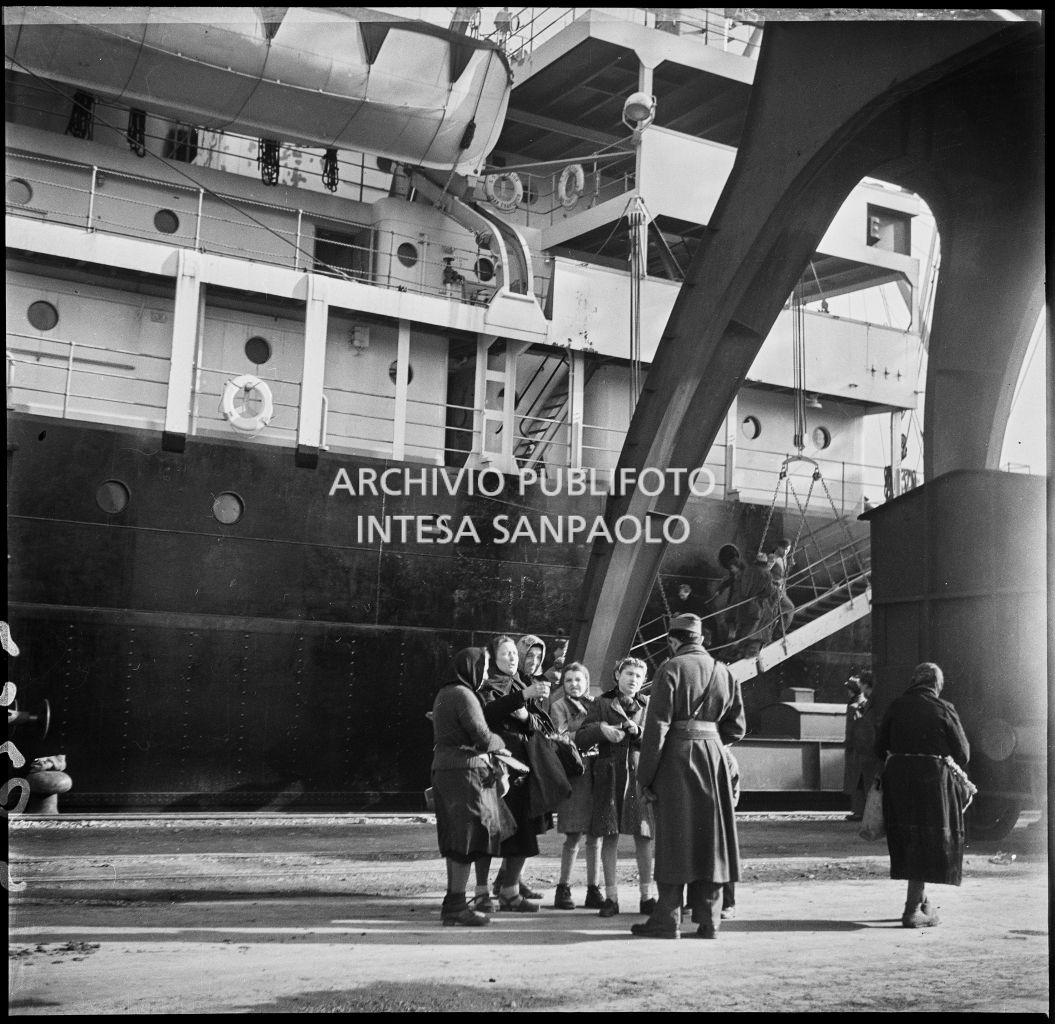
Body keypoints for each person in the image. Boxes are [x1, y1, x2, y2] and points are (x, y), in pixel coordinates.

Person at [632, 613, 745, 940]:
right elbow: (737, 727)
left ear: (673, 640)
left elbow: (656, 729)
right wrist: (711, 739)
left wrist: (645, 777)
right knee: (711, 838)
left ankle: (666, 919)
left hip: (677, 758)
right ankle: (709, 920)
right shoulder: (724, 672)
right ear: (701, 639)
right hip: (713, 756)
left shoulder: (671, 668)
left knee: (674, 837)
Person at [875, 662, 970, 929]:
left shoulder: (896, 706)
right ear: (936, 684)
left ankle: (922, 902)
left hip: (899, 780)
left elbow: (879, 747)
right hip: (931, 783)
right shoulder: (944, 708)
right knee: (928, 840)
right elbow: (963, 754)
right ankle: (913, 910)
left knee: (910, 840)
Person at [430, 646, 513, 926]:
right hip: (465, 773)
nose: (486, 674)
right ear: (472, 667)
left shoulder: (446, 692)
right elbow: (483, 737)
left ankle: (453, 902)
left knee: (455, 838)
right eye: (485, 667)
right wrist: (502, 744)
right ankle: (456, 907)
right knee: (466, 838)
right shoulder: (464, 695)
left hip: (445, 769)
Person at [474, 634, 551, 913]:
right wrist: (521, 698)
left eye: (513, 654)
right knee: (490, 830)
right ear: (493, 658)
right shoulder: (487, 684)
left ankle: (510, 891)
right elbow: (486, 712)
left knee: (522, 832)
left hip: (523, 768)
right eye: (507, 654)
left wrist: (525, 716)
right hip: (497, 769)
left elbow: (542, 724)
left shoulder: (525, 683)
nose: (513, 658)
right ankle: (482, 890)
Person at [577, 656, 655, 918]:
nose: (633, 679)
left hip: (638, 776)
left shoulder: (649, 705)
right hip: (609, 776)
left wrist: (639, 732)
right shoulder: (601, 703)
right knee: (609, 834)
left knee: (644, 835)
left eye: (638, 676)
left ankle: (647, 896)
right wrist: (602, 729)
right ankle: (611, 898)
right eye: (629, 673)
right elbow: (581, 737)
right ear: (617, 675)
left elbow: (659, 740)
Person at [548, 661, 602, 911]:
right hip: (574, 773)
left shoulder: (596, 704)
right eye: (569, 680)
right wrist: (589, 730)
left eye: (578, 680)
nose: (574, 684)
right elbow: (559, 737)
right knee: (573, 834)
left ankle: (594, 888)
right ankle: (564, 887)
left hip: (596, 772)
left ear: (586, 681)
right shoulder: (558, 706)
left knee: (596, 834)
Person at [716, 543, 779, 659]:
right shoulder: (767, 574)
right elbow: (768, 592)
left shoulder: (749, 571)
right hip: (756, 608)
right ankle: (740, 649)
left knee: (739, 629)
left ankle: (729, 650)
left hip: (742, 606)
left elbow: (744, 590)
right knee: (754, 629)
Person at [843, 670, 879, 821]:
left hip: (861, 750)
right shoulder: (866, 703)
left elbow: (851, 731)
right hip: (869, 750)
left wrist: (849, 747)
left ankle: (860, 811)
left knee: (858, 781)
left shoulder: (853, 707)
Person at [767, 538, 796, 632]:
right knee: (789, 608)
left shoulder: (784, 558)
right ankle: (778, 633)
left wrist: (789, 566)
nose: (786, 552)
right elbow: (765, 573)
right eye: (784, 549)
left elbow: (783, 574)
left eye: (788, 550)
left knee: (776, 612)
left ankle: (775, 632)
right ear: (778, 547)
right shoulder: (773, 557)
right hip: (774, 589)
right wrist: (774, 582)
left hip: (782, 589)